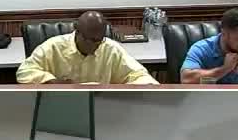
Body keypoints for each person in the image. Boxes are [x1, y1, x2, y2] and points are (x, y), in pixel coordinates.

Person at [17, 11, 158, 85]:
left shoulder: (110, 48)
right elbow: (24, 72)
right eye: (89, 40)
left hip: (102, 108)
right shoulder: (53, 47)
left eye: (98, 40)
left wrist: (144, 85)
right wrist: (53, 82)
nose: (94, 45)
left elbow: (139, 75)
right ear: (77, 32)